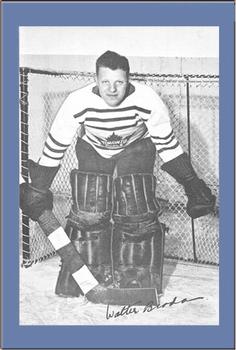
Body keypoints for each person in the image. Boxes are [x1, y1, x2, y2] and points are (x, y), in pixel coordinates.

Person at [20, 50, 216, 300]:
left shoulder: (147, 98)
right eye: (105, 82)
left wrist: (192, 184)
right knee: (88, 213)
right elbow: (56, 145)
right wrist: (39, 188)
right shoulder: (77, 101)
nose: (112, 89)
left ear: (128, 80)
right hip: (92, 146)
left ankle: (136, 279)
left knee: (136, 211)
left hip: (136, 146)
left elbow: (166, 144)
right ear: (96, 80)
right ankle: (86, 276)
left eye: (119, 82)